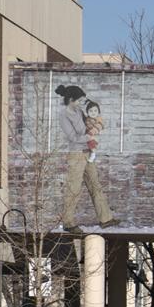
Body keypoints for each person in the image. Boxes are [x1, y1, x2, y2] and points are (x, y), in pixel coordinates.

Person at [56, 84, 117, 232]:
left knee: (95, 185)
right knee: (74, 189)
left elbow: (90, 120)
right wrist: (89, 136)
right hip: (76, 155)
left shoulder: (78, 111)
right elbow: (72, 137)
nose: (79, 103)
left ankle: (106, 219)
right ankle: (68, 223)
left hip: (87, 153)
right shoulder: (64, 115)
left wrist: (97, 126)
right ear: (70, 99)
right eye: (78, 100)